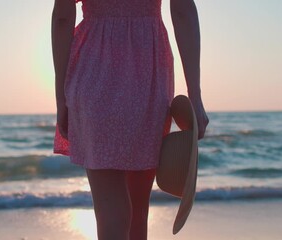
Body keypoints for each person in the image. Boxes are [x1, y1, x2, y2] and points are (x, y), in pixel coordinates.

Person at [51, 0, 209, 239]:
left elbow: (62, 17)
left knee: (110, 210)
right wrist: (195, 96)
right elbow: (183, 11)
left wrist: (61, 96)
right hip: (148, 71)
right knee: (137, 209)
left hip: (93, 71)